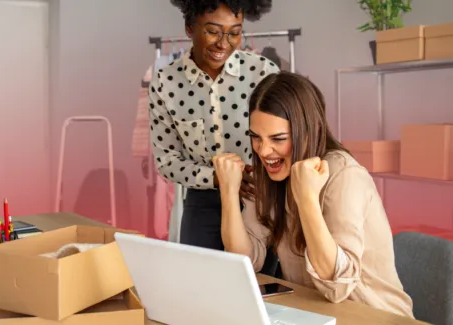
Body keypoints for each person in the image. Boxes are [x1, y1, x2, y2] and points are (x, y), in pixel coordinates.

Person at [214, 71, 415, 318]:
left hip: (374, 316)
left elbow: (338, 286)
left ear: (307, 131)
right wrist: (228, 191)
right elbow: (245, 261)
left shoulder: (344, 174)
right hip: (312, 313)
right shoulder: (269, 174)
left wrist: (307, 199)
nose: (264, 151)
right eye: (256, 137)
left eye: (278, 139)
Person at [149, 0, 277, 251]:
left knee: (264, 286)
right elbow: (167, 161)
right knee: (201, 282)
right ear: (189, 27)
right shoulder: (166, 82)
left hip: (260, 199)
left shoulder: (263, 72)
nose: (223, 43)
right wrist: (218, 178)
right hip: (203, 202)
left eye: (234, 33)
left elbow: (285, 138)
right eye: (212, 31)